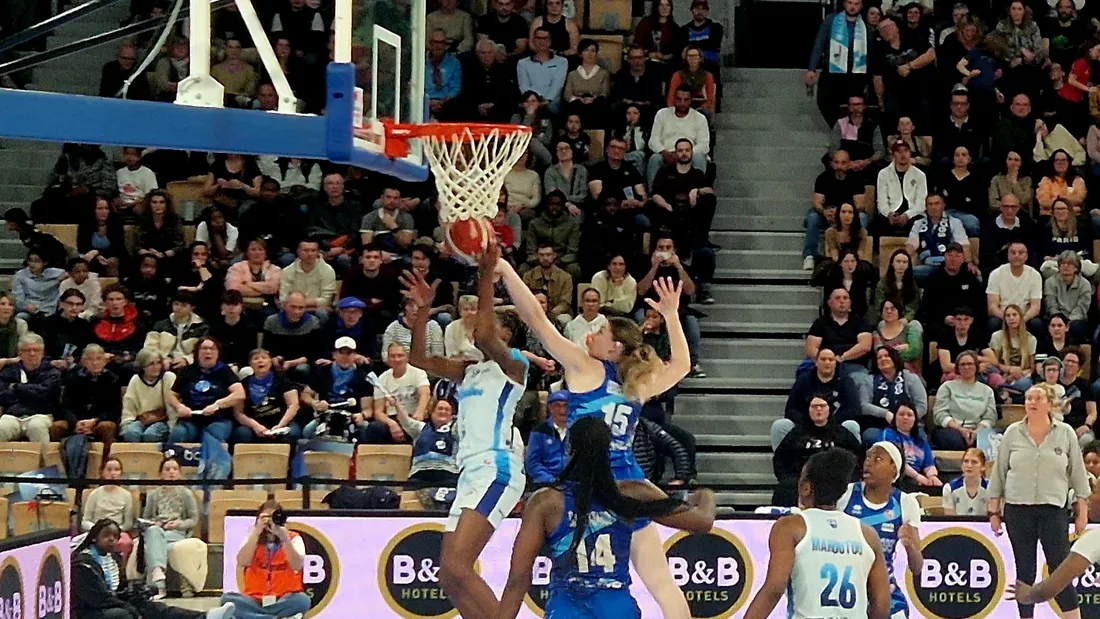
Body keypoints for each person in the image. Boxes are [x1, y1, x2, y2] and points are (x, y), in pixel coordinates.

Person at [496, 240, 698, 619]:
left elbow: (537, 321)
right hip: (629, 483)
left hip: (586, 480)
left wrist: (505, 270)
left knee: (573, 575)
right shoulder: (637, 381)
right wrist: (671, 315)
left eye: (601, 330)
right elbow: (683, 364)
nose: (592, 331)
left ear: (614, 347)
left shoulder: (585, 368)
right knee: (661, 583)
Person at [401, 244, 529, 619]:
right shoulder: (468, 370)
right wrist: (424, 311)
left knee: (458, 567)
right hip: (469, 471)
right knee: (447, 574)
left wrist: (485, 275)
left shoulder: (514, 366)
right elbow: (419, 359)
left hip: (497, 468)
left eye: (494, 325)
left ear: (508, 336)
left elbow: (487, 336)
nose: (475, 327)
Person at [493, 416, 716, 619]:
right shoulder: (632, 492)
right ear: (609, 449)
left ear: (569, 448)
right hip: (617, 609)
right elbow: (702, 522)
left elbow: (518, 579)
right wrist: (706, 495)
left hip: (566, 609)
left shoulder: (546, 501)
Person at [743, 449, 891, 619]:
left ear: (805, 487)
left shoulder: (790, 526)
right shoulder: (868, 534)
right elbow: (882, 604)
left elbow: (775, 588)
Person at [989, 383, 1091, 618]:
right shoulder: (1012, 433)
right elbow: (999, 473)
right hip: (1018, 509)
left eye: (1037, 398)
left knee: (1060, 568)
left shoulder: (1065, 433)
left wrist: (1082, 509)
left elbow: (1077, 473)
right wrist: (993, 511)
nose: (1031, 402)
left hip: (1053, 510)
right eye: (1028, 398)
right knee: (1025, 570)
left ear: (1050, 404)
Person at [73, 519, 235, 619]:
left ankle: (205, 616)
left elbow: (118, 588)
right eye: (106, 535)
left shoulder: (113, 558)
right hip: (89, 611)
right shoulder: (83, 563)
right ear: (94, 537)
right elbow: (98, 599)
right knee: (125, 614)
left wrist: (137, 590)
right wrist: (129, 605)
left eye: (115, 536)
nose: (112, 540)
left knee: (151, 606)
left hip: (107, 602)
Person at [837, 442, 924, 619]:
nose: (868, 462)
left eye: (877, 458)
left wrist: (910, 546)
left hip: (883, 588)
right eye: (868, 457)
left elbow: (917, 567)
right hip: (846, 585)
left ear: (894, 469)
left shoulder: (905, 503)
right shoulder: (846, 493)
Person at [220, 500, 311, 619]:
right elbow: (242, 562)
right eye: (266, 517)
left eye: (274, 517)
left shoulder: (293, 538)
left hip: (284, 597)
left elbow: (297, 565)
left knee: (303, 600)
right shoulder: (252, 537)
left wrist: (284, 538)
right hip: (254, 598)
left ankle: (255, 616)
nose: (270, 522)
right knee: (227, 600)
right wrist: (257, 532)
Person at [771, 397, 863, 507]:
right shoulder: (796, 434)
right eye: (814, 406)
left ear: (829, 409)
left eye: (822, 406)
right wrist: (789, 478)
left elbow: (858, 458)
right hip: (801, 481)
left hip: (836, 481)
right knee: (786, 488)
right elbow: (781, 458)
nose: (818, 409)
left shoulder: (843, 434)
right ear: (808, 410)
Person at [142, 456, 201, 598]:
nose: (171, 472)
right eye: (167, 469)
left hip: (177, 532)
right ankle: (158, 574)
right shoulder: (153, 495)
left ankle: (158, 586)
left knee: (153, 543)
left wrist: (178, 524)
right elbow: (145, 519)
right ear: (161, 473)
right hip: (157, 530)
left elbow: (193, 519)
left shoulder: (186, 493)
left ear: (180, 473)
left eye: (175, 469)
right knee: (154, 532)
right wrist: (155, 523)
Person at [166, 336, 244, 442]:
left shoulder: (225, 371)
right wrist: (179, 406)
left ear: (218, 353)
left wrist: (217, 405)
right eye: (204, 348)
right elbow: (171, 395)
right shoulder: (187, 371)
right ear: (197, 352)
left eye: (212, 349)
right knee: (178, 434)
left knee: (212, 435)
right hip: (191, 419)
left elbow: (239, 394)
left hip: (219, 419)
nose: (208, 352)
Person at [232, 349, 301, 443]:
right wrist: (255, 426)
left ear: (270, 362)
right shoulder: (243, 384)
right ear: (250, 364)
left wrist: (280, 425)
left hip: (281, 421)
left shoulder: (282, 379)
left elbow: (293, 405)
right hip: (255, 423)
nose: (260, 361)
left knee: (293, 433)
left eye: (264, 358)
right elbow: (238, 413)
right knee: (241, 434)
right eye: (256, 358)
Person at [81, 458, 135, 560]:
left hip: (117, 531)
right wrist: (97, 529)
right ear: (102, 472)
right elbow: (85, 521)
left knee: (126, 543)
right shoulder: (94, 494)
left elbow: (128, 523)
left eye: (116, 470)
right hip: (96, 531)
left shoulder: (126, 495)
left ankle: (119, 572)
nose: (113, 473)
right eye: (109, 470)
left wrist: (115, 530)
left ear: (121, 473)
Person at [941, 447, 989, 516]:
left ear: (983, 466)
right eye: (966, 461)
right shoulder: (949, 488)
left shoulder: (991, 489)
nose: (969, 465)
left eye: (974, 462)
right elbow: (950, 520)